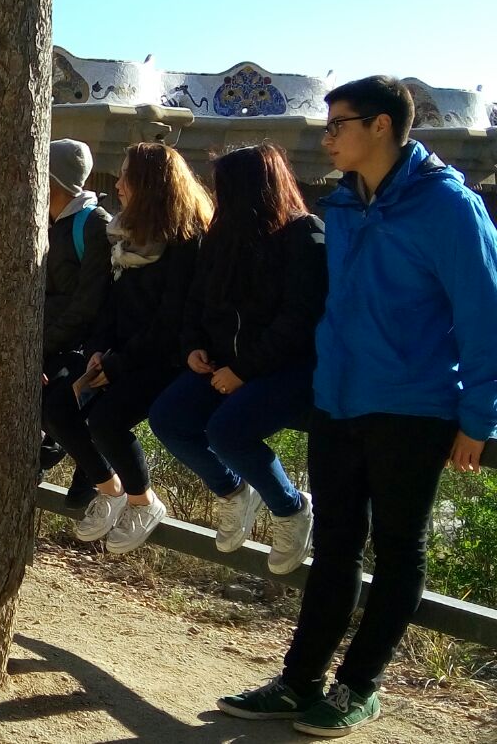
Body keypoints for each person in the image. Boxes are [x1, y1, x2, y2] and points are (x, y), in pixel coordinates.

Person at [218, 76, 497, 737]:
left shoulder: (449, 208)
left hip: (415, 406)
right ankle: (299, 682)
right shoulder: (342, 208)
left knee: (399, 550)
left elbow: (484, 316)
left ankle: (358, 687)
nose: (327, 138)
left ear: (380, 126)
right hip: (338, 403)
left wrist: (478, 419)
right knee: (337, 547)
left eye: (337, 124)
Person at [148, 144, 324, 575]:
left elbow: (299, 321)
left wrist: (244, 371)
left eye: (225, 188)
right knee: (168, 418)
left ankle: (290, 508)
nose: (217, 196)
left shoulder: (306, 236)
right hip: (223, 363)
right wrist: (193, 346)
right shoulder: (223, 235)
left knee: (227, 431)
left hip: (287, 369)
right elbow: (198, 300)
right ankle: (231, 492)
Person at [42, 142, 212, 554]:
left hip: (165, 359)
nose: (117, 184)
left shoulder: (187, 240)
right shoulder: (127, 233)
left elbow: (170, 319)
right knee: (54, 403)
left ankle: (143, 500)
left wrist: (117, 362)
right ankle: (110, 487)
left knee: (106, 420)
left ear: (151, 185)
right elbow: (112, 304)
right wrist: (100, 350)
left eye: (125, 177)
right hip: (120, 353)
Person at [39, 139, 114, 508]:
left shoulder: (93, 224)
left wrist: (40, 348)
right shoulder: (49, 221)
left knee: (57, 405)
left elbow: (88, 304)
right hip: (51, 340)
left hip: (80, 346)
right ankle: (54, 447)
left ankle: (100, 476)